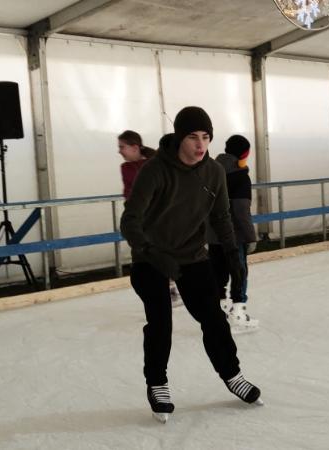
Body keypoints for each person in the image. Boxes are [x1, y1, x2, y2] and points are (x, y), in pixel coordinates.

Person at [120, 106, 261, 423]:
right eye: (193, 137)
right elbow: (129, 221)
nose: (200, 145)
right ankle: (157, 382)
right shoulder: (155, 170)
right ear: (179, 138)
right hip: (150, 256)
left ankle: (232, 374)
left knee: (213, 318)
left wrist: (233, 258)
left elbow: (222, 218)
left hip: (192, 256)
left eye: (206, 137)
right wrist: (152, 253)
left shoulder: (213, 172)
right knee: (160, 321)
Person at [118, 130, 183, 308]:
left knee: (162, 252)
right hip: (139, 220)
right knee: (145, 256)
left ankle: (171, 287)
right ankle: (160, 291)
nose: (120, 151)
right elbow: (129, 195)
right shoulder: (126, 168)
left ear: (134, 147)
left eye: (122, 147)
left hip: (159, 218)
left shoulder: (154, 165)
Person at [206, 135, 258, 333]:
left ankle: (220, 314)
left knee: (217, 274)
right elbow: (241, 210)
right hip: (234, 237)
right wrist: (250, 237)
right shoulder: (240, 176)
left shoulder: (211, 172)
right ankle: (238, 313)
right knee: (239, 274)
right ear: (244, 154)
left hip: (213, 235)